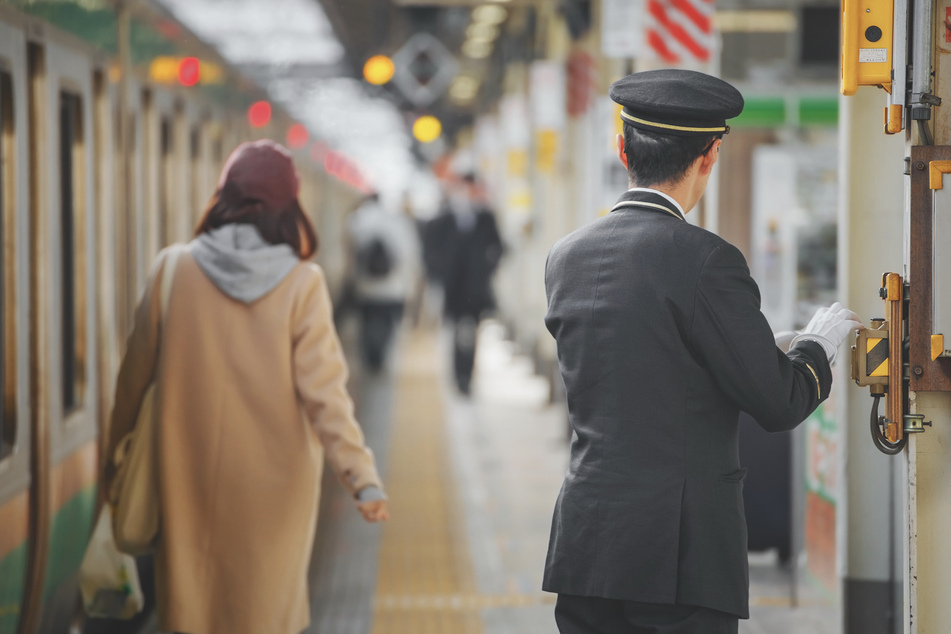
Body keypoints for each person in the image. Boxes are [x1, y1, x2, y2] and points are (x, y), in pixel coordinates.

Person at [541, 69, 862, 633]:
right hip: (680, 558)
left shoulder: (565, 257)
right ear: (711, 155)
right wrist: (816, 347)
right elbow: (779, 401)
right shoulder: (707, 261)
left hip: (586, 544)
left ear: (623, 148)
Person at [103, 140, 388, 634]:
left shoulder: (171, 271)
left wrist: (114, 463)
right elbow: (326, 399)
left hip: (183, 478)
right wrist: (360, 476)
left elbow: (131, 384)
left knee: (190, 612)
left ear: (224, 197)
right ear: (288, 206)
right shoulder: (303, 284)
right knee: (263, 617)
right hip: (274, 494)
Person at [425, 172, 503, 395]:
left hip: (476, 288)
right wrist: (439, 272)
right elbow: (431, 249)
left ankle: (467, 376)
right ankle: (457, 376)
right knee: (455, 331)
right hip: (453, 288)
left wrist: (486, 270)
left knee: (471, 333)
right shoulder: (443, 219)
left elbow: (498, 247)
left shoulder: (485, 217)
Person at [346, 191, 420, 371]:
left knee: (366, 328)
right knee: (387, 328)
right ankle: (381, 360)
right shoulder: (398, 221)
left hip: (365, 288)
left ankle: (369, 361)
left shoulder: (357, 219)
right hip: (393, 289)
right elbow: (409, 255)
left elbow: (350, 251)